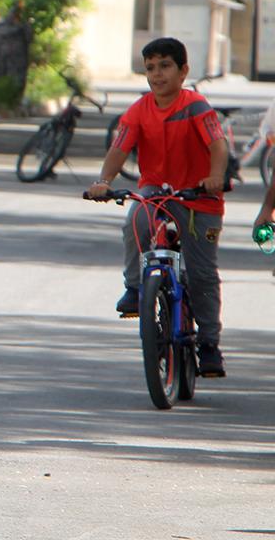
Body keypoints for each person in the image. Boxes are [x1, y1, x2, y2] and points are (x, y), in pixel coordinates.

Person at [88, 37, 228, 377]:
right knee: (136, 220)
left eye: (165, 66)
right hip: (155, 189)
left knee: (202, 275)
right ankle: (135, 288)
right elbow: (120, 148)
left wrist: (215, 177)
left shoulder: (196, 106)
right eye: (150, 68)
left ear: (183, 71)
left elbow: (218, 146)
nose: (157, 74)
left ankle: (208, 345)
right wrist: (103, 181)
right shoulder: (139, 110)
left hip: (198, 194)